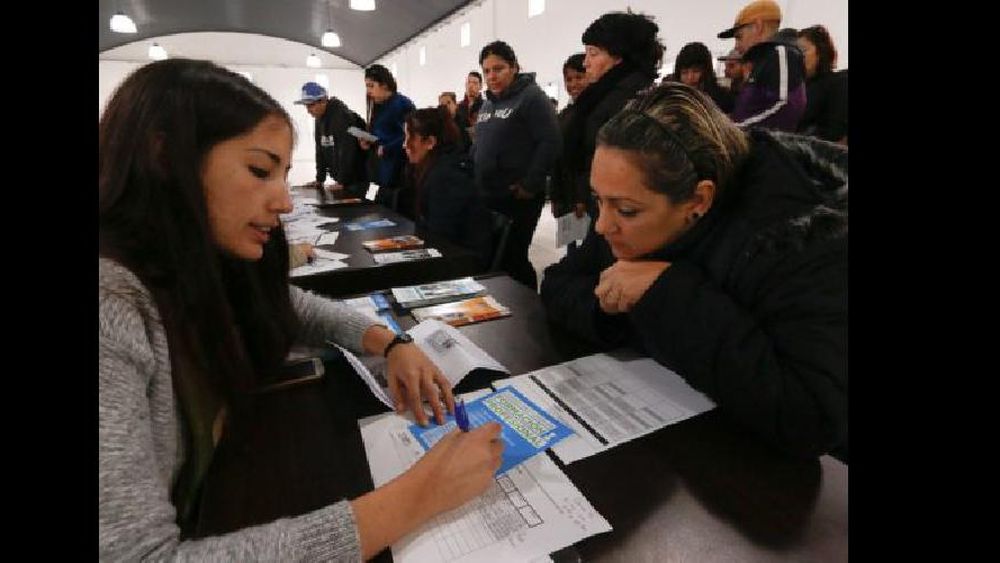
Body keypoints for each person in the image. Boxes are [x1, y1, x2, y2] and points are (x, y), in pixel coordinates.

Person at [100, 58, 504, 560]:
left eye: (284, 175)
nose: (285, 202)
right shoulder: (112, 308)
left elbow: (292, 305)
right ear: (164, 156)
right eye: (259, 170)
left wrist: (390, 343)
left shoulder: (196, 265)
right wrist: (419, 496)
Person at [540, 82, 848, 460]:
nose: (602, 225)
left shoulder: (799, 238)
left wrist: (666, 292)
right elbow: (558, 282)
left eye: (626, 210)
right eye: (598, 200)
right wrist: (614, 307)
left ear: (699, 200)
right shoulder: (631, 207)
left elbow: (811, 417)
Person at [473, 40, 561, 289]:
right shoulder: (488, 102)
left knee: (513, 256)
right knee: (496, 257)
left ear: (514, 67)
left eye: (498, 69)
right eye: (487, 71)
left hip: (517, 196)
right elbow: (481, 142)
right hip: (489, 193)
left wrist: (530, 184)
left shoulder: (532, 97)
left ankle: (529, 303)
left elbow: (550, 141)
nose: (492, 76)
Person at [564, 11, 664, 223]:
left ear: (618, 57)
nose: (585, 63)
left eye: (593, 54)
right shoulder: (601, 95)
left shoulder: (629, 101)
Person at [403, 106, 492, 267]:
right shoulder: (438, 167)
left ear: (430, 142)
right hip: (450, 254)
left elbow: (441, 238)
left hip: (460, 261)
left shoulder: (445, 177)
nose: (405, 145)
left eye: (410, 138)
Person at [718, 0, 806, 132]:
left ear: (758, 26)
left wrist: (735, 130)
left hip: (764, 143)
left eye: (739, 37)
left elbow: (784, 104)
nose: (736, 46)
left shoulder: (781, 53)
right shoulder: (768, 59)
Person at [293, 81, 369, 198]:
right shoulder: (319, 119)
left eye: (311, 105)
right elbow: (320, 150)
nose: (308, 110)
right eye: (306, 106)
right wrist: (319, 179)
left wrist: (343, 181)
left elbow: (347, 150)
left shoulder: (342, 116)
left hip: (356, 179)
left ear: (323, 101)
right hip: (343, 179)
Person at [362, 64, 416, 214]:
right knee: (371, 209)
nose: (368, 91)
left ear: (384, 85)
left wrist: (388, 148)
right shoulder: (377, 106)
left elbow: (411, 135)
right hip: (376, 171)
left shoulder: (402, 104)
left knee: (390, 214)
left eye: (371, 86)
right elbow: (379, 134)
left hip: (395, 174)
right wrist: (368, 141)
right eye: (366, 87)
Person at [549, 53, 590, 221]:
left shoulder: (595, 113)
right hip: (565, 193)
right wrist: (555, 195)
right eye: (569, 79)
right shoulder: (564, 115)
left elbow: (589, 158)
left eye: (579, 77)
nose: (573, 84)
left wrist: (582, 197)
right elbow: (557, 157)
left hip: (586, 196)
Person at [797, 25, 848, 145]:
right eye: (794, 52)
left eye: (803, 50)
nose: (798, 56)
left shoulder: (838, 82)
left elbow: (834, 132)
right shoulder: (796, 89)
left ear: (820, 51)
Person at [666, 42, 735, 113]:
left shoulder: (722, 102)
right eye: (684, 72)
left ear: (707, 72)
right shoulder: (671, 103)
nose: (690, 77)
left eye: (696, 71)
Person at [455, 71, 484, 149]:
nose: (471, 86)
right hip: (461, 148)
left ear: (480, 86)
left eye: (475, 83)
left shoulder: (486, 106)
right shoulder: (457, 107)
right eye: (468, 82)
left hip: (480, 146)